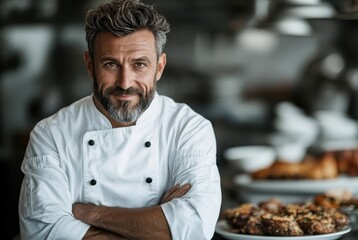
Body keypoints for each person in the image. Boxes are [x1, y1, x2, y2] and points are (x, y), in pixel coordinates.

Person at [18, 0, 222, 239]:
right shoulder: (51, 134)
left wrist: (88, 213)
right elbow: (42, 231)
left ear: (159, 67)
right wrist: (157, 223)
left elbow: (195, 229)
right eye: (111, 64)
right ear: (89, 65)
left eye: (139, 64)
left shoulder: (190, 129)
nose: (125, 82)